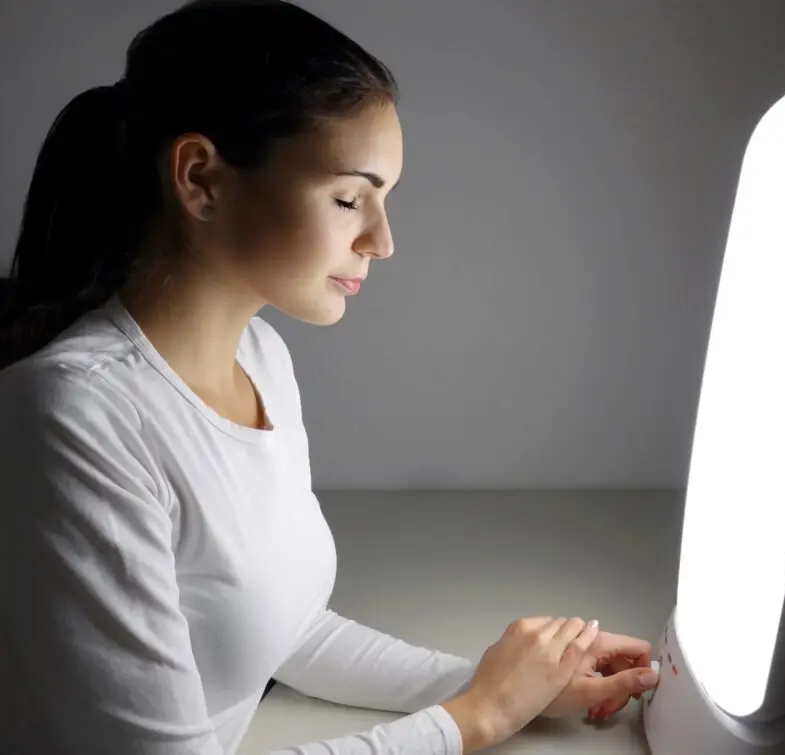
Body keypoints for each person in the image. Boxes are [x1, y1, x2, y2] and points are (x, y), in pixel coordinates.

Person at [0, 2, 661, 753]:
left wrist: (506, 684)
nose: (381, 239)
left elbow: (285, 627)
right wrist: (476, 717)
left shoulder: (263, 359)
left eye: (384, 201)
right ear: (200, 179)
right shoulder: (73, 416)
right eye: (350, 198)